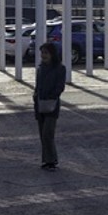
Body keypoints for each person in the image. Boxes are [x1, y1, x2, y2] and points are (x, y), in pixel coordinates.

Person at [33, 42, 66, 170]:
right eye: (42, 53)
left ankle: (52, 160)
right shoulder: (40, 68)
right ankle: (46, 160)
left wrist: (52, 95)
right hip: (40, 104)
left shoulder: (60, 68)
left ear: (52, 54)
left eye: (46, 53)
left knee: (48, 133)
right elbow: (37, 86)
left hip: (52, 105)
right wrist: (36, 96)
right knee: (42, 133)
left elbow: (60, 86)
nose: (44, 55)